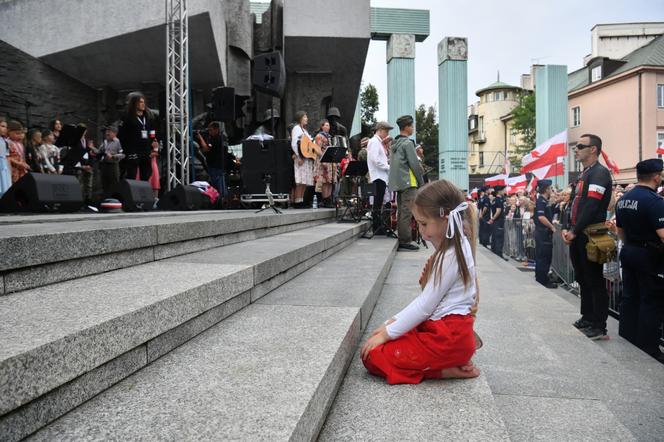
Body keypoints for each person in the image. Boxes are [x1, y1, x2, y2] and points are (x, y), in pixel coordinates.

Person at [360, 179, 480, 384]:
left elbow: (425, 306)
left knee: (372, 357)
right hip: (449, 334)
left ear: (446, 219)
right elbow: (427, 303)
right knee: (392, 339)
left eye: (424, 224)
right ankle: (445, 363)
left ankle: (443, 370)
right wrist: (390, 324)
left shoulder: (450, 255)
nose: (422, 232)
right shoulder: (457, 247)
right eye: (418, 224)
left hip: (448, 337)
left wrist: (386, 333)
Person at [563, 134, 612, 340]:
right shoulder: (585, 173)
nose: (576, 149)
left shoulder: (600, 173)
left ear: (593, 149)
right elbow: (573, 203)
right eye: (576, 146)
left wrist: (574, 230)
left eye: (580, 146)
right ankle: (587, 317)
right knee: (582, 277)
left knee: (594, 279)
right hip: (578, 233)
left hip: (590, 233)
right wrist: (568, 227)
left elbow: (592, 206)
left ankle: (599, 325)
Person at [615, 158, 664, 362]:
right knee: (650, 300)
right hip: (649, 254)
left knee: (630, 296)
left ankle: (627, 337)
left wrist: (630, 245)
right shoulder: (654, 201)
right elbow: (662, 234)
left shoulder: (624, 198)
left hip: (629, 250)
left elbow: (620, 230)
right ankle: (648, 347)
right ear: (655, 176)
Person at [388, 115, 425, 250]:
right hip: (409, 182)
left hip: (399, 182)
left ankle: (403, 238)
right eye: (412, 126)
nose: (413, 128)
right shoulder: (408, 143)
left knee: (402, 211)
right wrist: (421, 182)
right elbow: (414, 164)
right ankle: (405, 241)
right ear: (407, 127)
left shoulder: (394, 144)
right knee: (407, 212)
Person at [118, 93, 159, 181]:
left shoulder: (148, 117)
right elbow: (121, 135)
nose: (143, 104)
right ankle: (129, 194)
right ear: (134, 104)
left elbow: (152, 131)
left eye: (144, 102)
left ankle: (144, 194)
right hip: (133, 152)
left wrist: (151, 142)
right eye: (140, 102)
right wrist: (127, 150)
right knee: (131, 175)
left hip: (145, 151)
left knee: (146, 175)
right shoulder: (127, 117)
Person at [367, 121, 392, 235]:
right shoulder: (374, 142)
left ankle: (378, 226)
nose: (387, 134)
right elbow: (375, 160)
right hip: (378, 176)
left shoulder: (378, 142)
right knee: (377, 203)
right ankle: (376, 228)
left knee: (379, 203)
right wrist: (388, 166)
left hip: (381, 176)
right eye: (386, 131)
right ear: (380, 130)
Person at [534, 179, 558, 288]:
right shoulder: (541, 201)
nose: (551, 190)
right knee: (544, 257)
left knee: (543, 256)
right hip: (543, 233)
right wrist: (551, 226)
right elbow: (541, 217)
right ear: (546, 189)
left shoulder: (544, 201)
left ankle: (541, 277)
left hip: (543, 233)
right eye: (550, 188)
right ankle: (543, 279)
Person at [197, 121, 227, 199]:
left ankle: (221, 199)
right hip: (216, 165)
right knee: (217, 183)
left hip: (215, 165)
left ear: (216, 129)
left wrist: (200, 137)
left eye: (211, 130)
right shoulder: (221, 137)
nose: (209, 132)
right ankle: (219, 199)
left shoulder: (216, 139)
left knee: (218, 184)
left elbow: (206, 148)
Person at [290, 111, 314, 208]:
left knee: (304, 181)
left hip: (307, 157)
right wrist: (298, 156)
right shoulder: (296, 128)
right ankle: (297, 201)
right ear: (300, 118)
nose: (306, 118)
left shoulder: (305, 131)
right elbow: (294, 143)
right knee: (300, 181)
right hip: (301, 157)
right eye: (305, 117)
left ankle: (301, 200)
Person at [314, 119, 337, 208]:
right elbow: (318, 149)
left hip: (330, 160)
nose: (328, 127)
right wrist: (323, 160)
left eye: (328, 125)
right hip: (323, 159)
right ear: (322, 126)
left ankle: (328, 198)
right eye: (326, 125)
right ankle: (325, 199)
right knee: (324, 180)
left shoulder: (330, 137)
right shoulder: (319, 136)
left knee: (329, 180)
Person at [99, 125, 124, 198]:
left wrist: (113, 156)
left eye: (109, 132)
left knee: (114, 184)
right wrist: (93, 149)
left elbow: (122, 155)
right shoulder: (104, 142)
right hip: (104, 165)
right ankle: (105, 200)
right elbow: (99, 151)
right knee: (104, 184)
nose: (107, 133)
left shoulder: (117, 142)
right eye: (106, 132)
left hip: (113, 166)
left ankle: (114, 200)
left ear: (114, 133)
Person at [488, 185, 507, 259]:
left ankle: (495, 252)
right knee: (499, 238)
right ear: (499, 191)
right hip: (498, 221)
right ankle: (499, 254)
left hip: (496, 222)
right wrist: (492, 219)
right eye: (503, 190)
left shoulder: (494, 200)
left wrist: (492, 219)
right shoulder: (499, 200)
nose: (504, 191)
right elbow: (498, 211)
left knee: (495, 237)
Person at [0, 118, 12, 196]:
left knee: (5, 187)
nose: (5, 129)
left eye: (6, 127)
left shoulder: (5, 141)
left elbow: (7, 157)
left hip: (4, 167)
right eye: (2, 126)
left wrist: (9, 170)